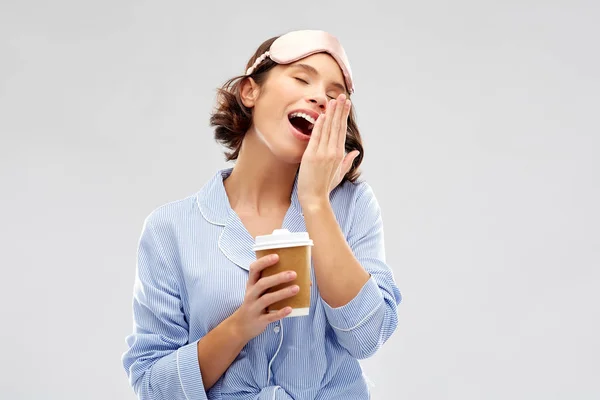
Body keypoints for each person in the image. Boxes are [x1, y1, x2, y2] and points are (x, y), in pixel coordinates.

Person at [122, 29, 402, 400]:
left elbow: (367, 337)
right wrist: (240, 325)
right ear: (250, 91)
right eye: (302, 78)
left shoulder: (351, 206)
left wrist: (315, 201)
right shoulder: (170, 230)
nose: (320, 96)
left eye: (335, 96)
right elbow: (153, 388)